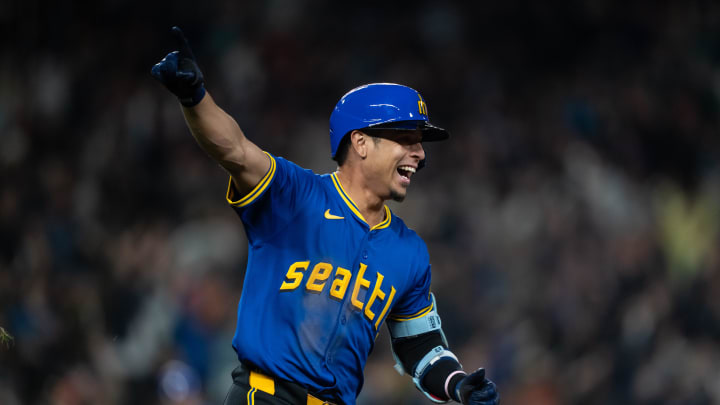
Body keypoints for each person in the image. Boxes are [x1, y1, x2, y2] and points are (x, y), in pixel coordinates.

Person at [151, 26, 499, 405]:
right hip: (266, 395)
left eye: (420, 143)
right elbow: (233, 150)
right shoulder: (295, 195)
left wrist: (458, 384)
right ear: (361, 142)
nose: (420, 153)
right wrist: (194, 97)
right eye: (406, 138)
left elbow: (420, 345)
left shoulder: (410, 251)